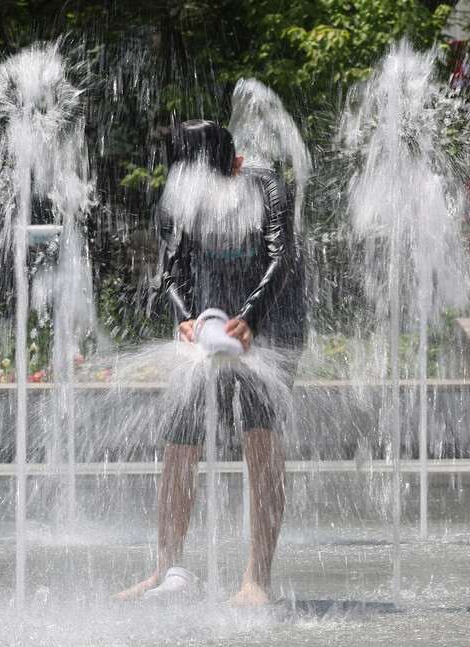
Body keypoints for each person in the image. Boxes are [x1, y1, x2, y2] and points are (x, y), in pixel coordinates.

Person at [114, 119, 305, 606]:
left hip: (274, 318)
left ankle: (257, 578)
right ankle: (164, 567)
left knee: (259, 434)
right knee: (180, 434)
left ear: (232, 165)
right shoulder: (180, 191)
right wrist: (183, 316)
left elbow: (281, 258)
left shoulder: (266, 186)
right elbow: (171, 267)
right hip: (209, 320)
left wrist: (252, 317)